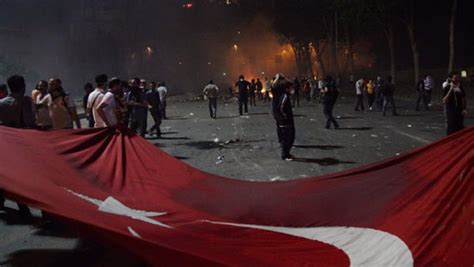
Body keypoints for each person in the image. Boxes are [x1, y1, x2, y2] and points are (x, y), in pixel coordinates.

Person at [0, 75, 34, 219]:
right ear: (22, 86)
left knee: (14, 178)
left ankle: (23, 208)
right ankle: (48, 210)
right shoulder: (25, 101)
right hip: (24, 144)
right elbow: (29, 122)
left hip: (8, 145)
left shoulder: (1, 103)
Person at [271, 73, 295, 161]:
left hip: (281, 114)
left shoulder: (283, 92)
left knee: (287, 134)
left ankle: (285, 149)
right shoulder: (279, 93)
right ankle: (284, 152)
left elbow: (290, 83)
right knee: (287, 134)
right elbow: (273, 86)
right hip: (280, 115)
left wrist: (284, 77)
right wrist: (283, 116)